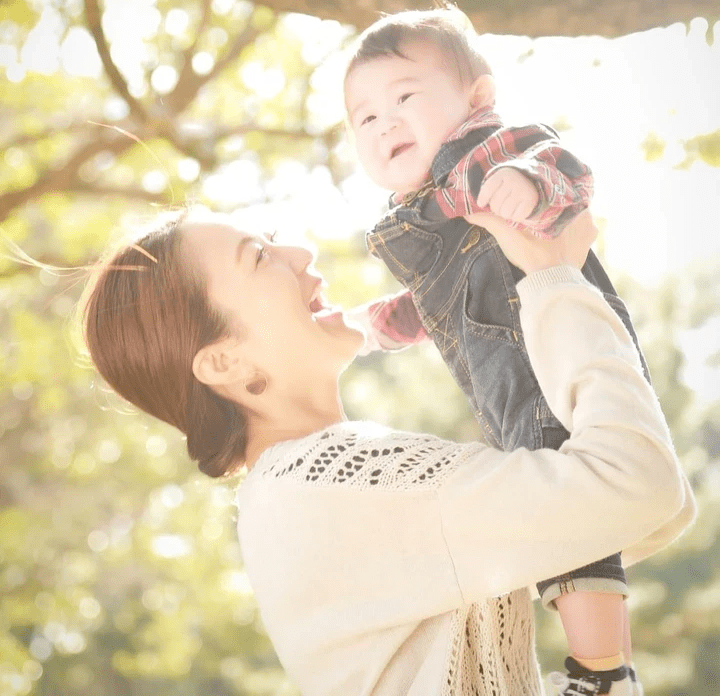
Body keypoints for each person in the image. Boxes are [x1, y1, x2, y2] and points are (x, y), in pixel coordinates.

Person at [80, 204, 695, 696]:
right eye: (261, 256)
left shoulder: (294, 495)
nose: (301, 254)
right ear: (225, 361)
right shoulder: (338, 485)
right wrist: (556, 276)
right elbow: (639, 486)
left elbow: (615, 523)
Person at [343, 5, 653, 693]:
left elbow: (567, 171)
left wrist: (531, 181)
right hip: (508, 389)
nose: (383, 122)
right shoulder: (422, 221)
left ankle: (603, 672)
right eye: (363, 117)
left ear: (476, 98)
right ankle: (610, 669)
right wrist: (365, 327)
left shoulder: (490, 156)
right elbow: (435, 304)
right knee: (573, 523)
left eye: (403, 96)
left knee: (573, 521)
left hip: (557, 357)